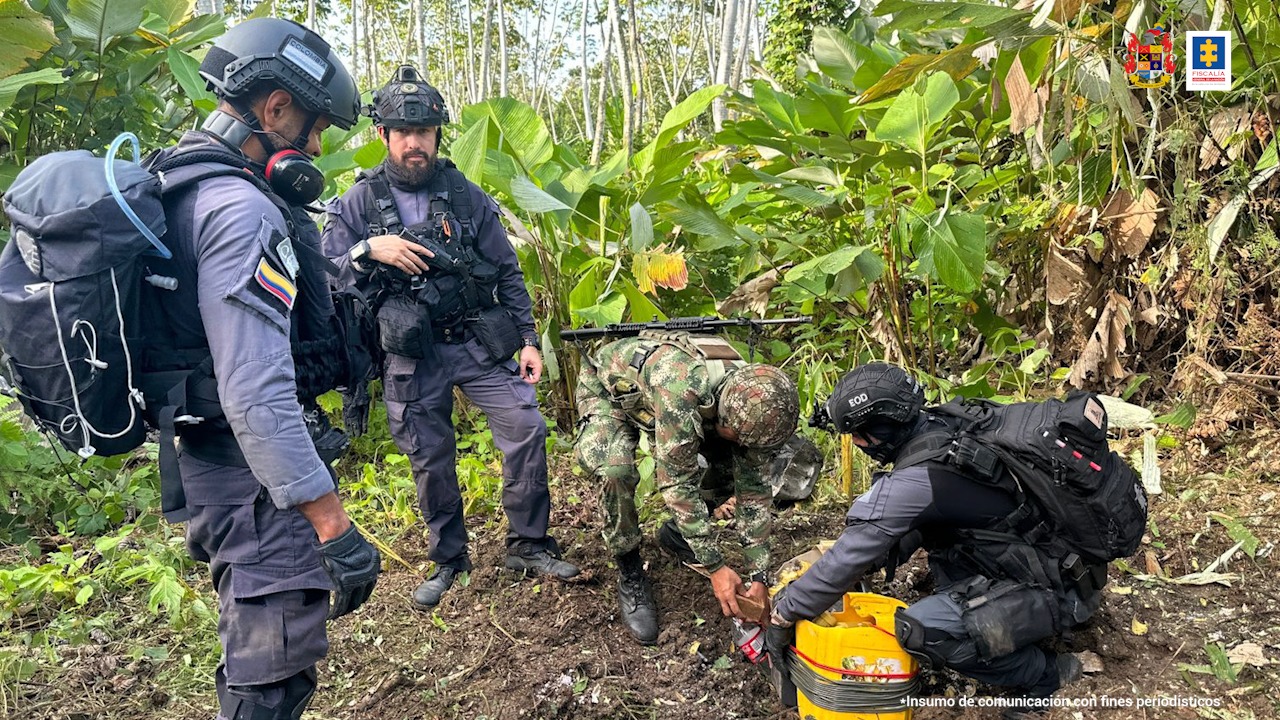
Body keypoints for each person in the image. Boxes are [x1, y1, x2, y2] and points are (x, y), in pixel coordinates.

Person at [139, 18, 381, 720]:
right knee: (270, 676)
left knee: (262, 657)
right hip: (252, 483)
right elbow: (255, 389)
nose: (313, 150)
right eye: (312, 131)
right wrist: (332, 524)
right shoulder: (240, 208)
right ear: (274, 108)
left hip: (220, 466)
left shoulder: (180, 181)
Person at [321, 65, 579, 610]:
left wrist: (529, 339)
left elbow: (506, 270)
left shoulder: (466, 195)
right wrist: (369, 250)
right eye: (403, 133)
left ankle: (528, 543)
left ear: (439, 135)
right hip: (409, 352)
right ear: (383, 136)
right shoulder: (358, 203)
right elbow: (324, 273)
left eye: (425, 133)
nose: (415, 144)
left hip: (474, 341)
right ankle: (448, 557)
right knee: (428, 456)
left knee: (526, 429)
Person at [767, 363, 1089, 720]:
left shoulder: (919, 479)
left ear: (884, 424)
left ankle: (1043, 674)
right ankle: (1022, 624)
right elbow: (923, 520)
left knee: (922, 630)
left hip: (1054, 587)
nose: (856, 443)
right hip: (1063, 564)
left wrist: (783, 613)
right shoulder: (944, 425)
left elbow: (852, 552)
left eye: (859, 433)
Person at [574, 331, 800, 644]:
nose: (742, 445)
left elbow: (754, 491)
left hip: (671, 398)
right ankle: (629, 567)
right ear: (722, 413)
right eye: (735, 435)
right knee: (616, 471)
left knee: (724, 465)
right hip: (610, 387)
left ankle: (678, 535)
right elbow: (676, 483)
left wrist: (758, 575)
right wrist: (715, 566)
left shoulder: (758, 399)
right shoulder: (682, 391)